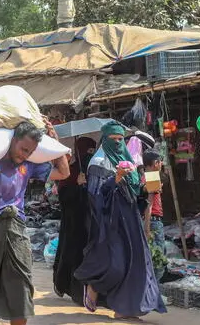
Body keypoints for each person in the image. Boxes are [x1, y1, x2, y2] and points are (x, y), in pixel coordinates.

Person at [0, 121, 70, 325]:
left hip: (17, 228)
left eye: (30, 151)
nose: (25, 155)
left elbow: (64, 173)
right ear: (13, 141)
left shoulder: (29, 165)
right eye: (22, 149)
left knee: (21, 285)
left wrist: (56, 143)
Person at [75, 121, 166, 319]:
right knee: (116, 264)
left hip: (131, 219)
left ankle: (126, 308)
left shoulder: (129, 160)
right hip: (110, 222)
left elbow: (135, 192)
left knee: (136, 262)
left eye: (120, 139)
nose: (117, 143)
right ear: (104, 140)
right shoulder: (98, 163)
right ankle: (94, 286)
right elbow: (95, 195)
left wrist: (146, 190)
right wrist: (115, 179)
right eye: (113, 139)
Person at [52, 137, 97, 304]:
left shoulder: (93, 168)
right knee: (72, 254)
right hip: (73, 222)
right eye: (87, 151)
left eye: (92, 151)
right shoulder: (70, 171)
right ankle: (71, 288)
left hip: (89, 221)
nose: (89, 155)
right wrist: (76, 185)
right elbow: (63, 197)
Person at [142, 150, 168, 283]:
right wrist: (147, 229)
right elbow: (149, 205)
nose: (161, 164)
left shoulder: (145, 176)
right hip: (153, 221)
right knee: (158, 260)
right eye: (160, 161)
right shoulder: (152, 177)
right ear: (155, 163)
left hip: (150, 221)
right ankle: (153, 291)